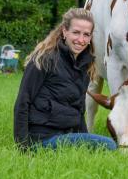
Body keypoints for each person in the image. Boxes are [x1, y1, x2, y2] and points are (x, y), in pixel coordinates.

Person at [14, 8, 117, 151]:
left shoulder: (85, 65)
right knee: (109, 145)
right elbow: (22, 102)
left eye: (86, 35)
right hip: (41, 138)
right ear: (64, 31)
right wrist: (22, 147)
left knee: (99, 147)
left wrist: (84, 138)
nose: (81, 40)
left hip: (65, 135)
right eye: (76, 32)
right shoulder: (45, 59)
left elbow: (79, 110)